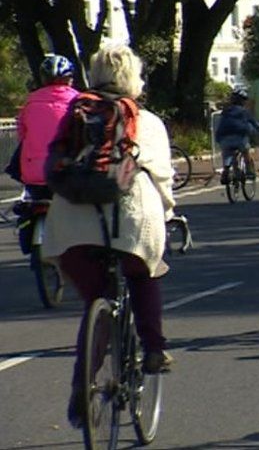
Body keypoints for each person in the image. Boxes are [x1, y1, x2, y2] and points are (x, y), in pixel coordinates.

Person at [42, 44, 176, 428]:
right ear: (135, 78)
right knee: (144, 273)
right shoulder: (146, 121)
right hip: (130, 220)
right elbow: (162, 180)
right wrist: (170, 215)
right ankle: (154, 349)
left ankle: (82, 386)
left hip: (71, 226)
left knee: (96, 300)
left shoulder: (76, 115)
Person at [16, 54, 80, 198]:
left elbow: (22, 134)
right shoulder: (78, 100)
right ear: (69, 79)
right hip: (64, 172)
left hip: (32, 173)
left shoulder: (30, 101)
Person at [215, 87, 259, 184]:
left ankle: (226, 170)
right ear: (243, 101)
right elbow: (255, 124)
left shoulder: (225, 111)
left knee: (228, 153)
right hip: (239, 137)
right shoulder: (244, 112)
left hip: (224, 137)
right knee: (245, 150)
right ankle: (249, 171)